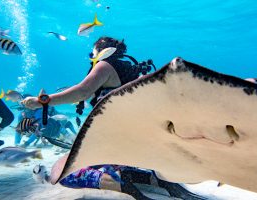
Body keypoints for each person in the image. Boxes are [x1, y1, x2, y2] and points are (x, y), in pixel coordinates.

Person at [23, 37, 201, 199]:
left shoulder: (103, 66)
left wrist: (42, 102)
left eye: (92, 53)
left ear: (100, 50)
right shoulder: (128, 70)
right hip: (129, 139)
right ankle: (159, 180)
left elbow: (82, 91)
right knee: (113, 165)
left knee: (62, 174)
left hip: (108, 138)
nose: (91, 57)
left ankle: (125, 188)